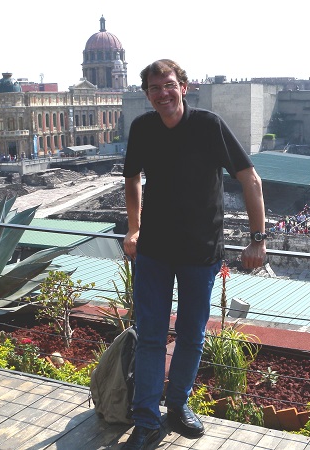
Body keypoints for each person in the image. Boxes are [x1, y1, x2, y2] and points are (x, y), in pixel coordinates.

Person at [122, 59, 267, 450]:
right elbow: (132, 179)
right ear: (147, 94)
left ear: (183, 87)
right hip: (153, 250)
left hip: (199, 253)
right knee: (151, 337)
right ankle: (147, 421)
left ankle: (178, 405)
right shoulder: (143, 127)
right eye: (154, 88)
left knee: (191, 335)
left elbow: (250, 178)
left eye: (168, 85)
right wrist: (133, 228)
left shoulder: (208, 125)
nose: (162, 94)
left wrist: (258, 238)